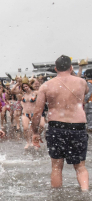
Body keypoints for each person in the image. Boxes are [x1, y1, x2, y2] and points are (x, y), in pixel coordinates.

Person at [31, 55, 89, 190]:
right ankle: (85, 193)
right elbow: (85, 92)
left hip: (56, 127)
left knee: (56, 166)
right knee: (80, 166)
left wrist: (35, 132)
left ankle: (57, 198)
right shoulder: (81, 83)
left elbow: (37, 113)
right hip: (78, 127)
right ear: (71, 67)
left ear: (56, 68)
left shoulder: (46, 86)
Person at [19, 77, 37, 149]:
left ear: (29, 85)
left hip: (33, 113)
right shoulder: (23, 94)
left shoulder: (35, 93)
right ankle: (28, 142)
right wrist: (18, 82)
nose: (25, 88)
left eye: (26, 86)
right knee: (25, 128)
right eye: (24, 87)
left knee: (33, 129)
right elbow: (13, 91)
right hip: (25, 113)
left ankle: (34, 142)